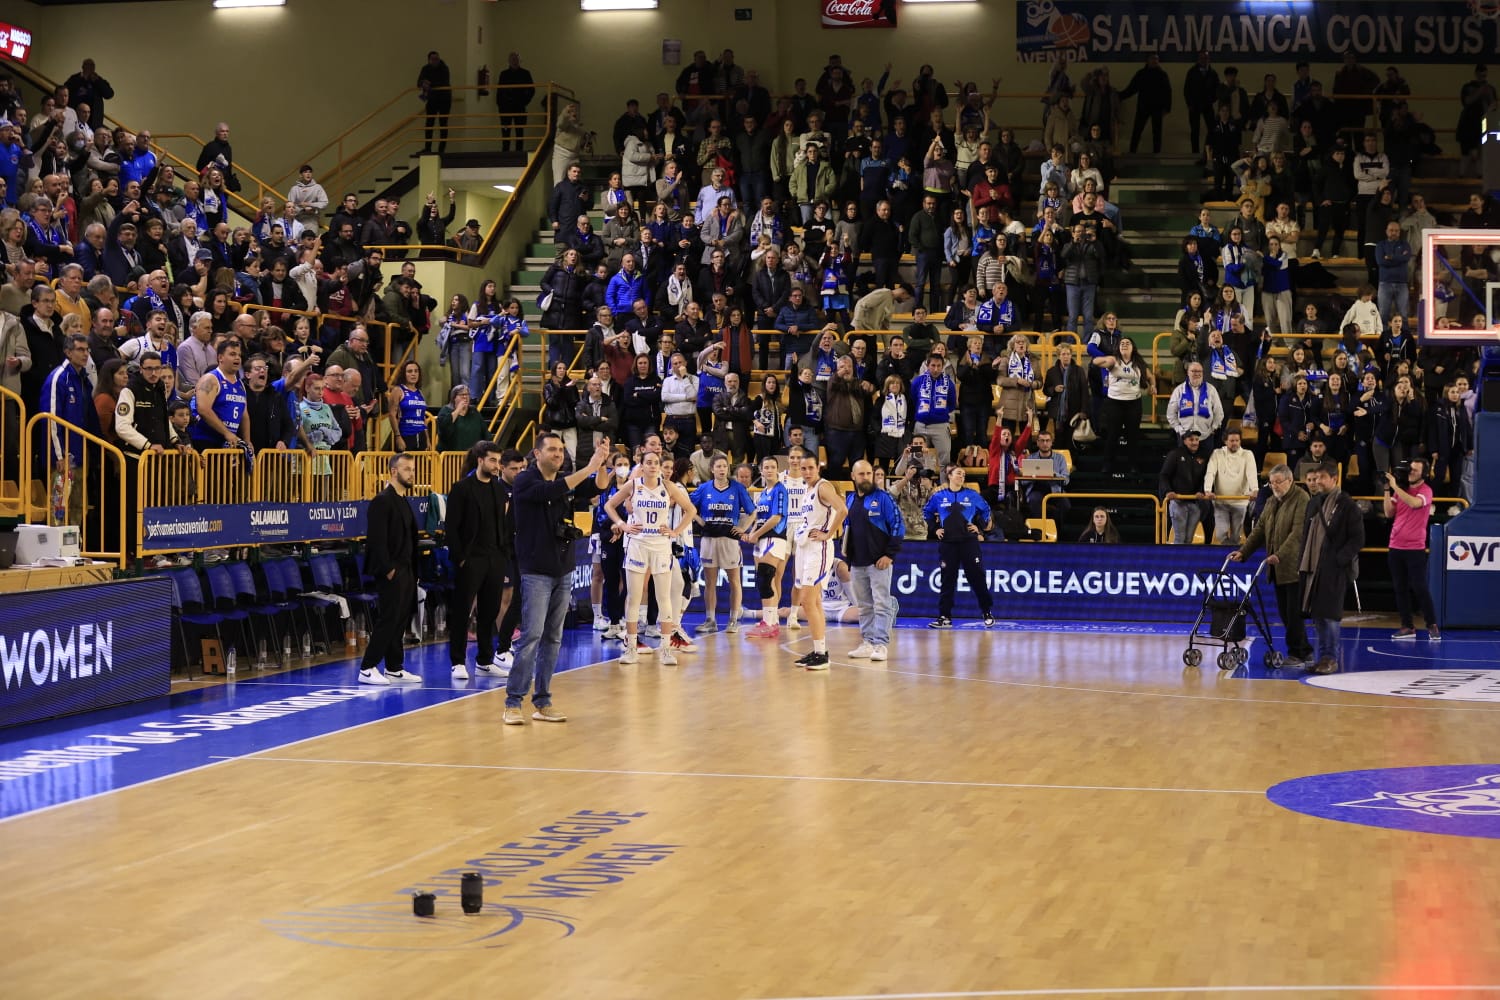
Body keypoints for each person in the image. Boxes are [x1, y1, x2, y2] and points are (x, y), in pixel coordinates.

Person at [503, 432, 610, 725]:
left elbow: (597, 486)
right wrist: (588, 468)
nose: (558, 454)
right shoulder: (525, 480)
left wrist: (601, 464)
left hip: (563, 568)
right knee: (532, 636)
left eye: (561, 450)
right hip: (535, 570)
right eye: (552, 449)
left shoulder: (565, 480)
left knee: (553, 637)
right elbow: (549, 492)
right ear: (536, 454)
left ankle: (543, 701)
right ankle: (513, 701)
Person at [604, 450, 696, 665]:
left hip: (660, 546)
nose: (653, 466)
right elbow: (609, 505)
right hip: (638, 545)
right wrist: (622, 525)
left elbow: (690, 510)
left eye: (656, 462)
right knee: (635, 596)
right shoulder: (634, 485)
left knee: (663, 597)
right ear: (642, 466)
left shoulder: (668, 486)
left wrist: (675, 531)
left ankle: (665, 649)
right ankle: (631, 648)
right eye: (649, 463)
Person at [1231, 463, 1314, 668]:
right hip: (1277, 568)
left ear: (1290, 480)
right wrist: (1244, 552)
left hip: (1294, 567)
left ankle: (1299, 653)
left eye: (1279, 482)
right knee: (1286, 614)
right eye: (1272, 482)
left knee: (1293, 614)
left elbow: (1297, 534)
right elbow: (1259, 530)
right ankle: (1303, 651)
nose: (1275, 486)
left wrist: (1279, 554)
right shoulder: (1270, 501)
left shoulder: (1301, 499)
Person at [446, 442, 516, 681]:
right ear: (480, 461)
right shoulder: (462, 488)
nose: (497, 466)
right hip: (471, 558)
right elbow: (452, 528)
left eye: (498, 461)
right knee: (463, 611)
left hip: (495, 557)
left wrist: (503, 552)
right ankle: (457, 661)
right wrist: (461, 558)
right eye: (493, 461)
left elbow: (504, 524)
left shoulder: (499, 490)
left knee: (490, 610)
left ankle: (485, 661)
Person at [359, 454, 423, 685]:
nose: (411, 473)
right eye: (407, 469)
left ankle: (394, 667)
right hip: (391, 571)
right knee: (388, 618)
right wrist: (388, 569)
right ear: (394, 471)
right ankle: (367, 667)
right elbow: (376, 540)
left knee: (400, 619)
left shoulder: (403, 500)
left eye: (413, 469)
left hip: (406, 569)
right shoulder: (382, 500)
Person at [1299, 461, 1365, 675]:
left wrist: (1339, 559)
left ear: (1334, 479)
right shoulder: (1314, 502)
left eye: (1321, 478)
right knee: (1318, 615)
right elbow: (1306, 535)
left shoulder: (1347, 505)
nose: (1317, 482)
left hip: (1334, 569)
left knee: (1331, 616)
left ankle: (1331, 658)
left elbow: (1358, 539)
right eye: (1315, 478)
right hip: (1313, 569)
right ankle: (1322, 657)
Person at [791, 453, 848, 670]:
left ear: (818, 468)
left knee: (807, 600)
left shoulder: (823, 487)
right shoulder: (807, 490)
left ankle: (821, 654)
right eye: (803, 468)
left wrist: (828, 533)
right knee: (813, 602)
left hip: (819, 548)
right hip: (806, 547)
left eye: (810, 468)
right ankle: (819, 651)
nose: (806, 472)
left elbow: (843, 509)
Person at [843, 459, 904, 662]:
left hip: (878, 562)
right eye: (862, 474)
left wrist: (889, 554)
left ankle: (881, 645)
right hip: (857, 563)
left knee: (882, 604)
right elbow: (847, 527)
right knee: (864, 606)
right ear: (853, 476)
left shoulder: (883, 498)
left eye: (869, 473)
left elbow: (898, 526)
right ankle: (868, 642)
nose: (866, 477)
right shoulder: (850, 499)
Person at [924, 464, 995, 629]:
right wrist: (935, 529)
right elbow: (926, 513)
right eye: (958, 473)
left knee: (977, 577)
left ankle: (987, 611)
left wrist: (980, 526)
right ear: (949, 476)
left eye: (963, 474)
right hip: (948, 543)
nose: (961, 476)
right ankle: (945, 616)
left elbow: (986, 510)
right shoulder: (938, 496)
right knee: (947, 579)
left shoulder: (972, 495)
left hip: (968, 542)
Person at [691, 455, 756, 633]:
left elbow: (752, 512)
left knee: (734, 581)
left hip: (729, 541)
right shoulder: (704, 489)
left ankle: (733, 620)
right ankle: (710, 620)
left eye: (725, 466)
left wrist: (743, 528)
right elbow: (687, 506)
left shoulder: (737, 488)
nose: (722, 469)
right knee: (710, 582)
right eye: (718, 466)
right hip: (709, 539)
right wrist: (700, 521)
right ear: (712, 469)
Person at [1384, 458, 1439, 641]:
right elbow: (1388, 513)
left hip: (1415, 547)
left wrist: (1395, 486)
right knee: (1400, 588)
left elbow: (1415, 503)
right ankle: (1407, 626)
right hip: (1395, 545)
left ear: (1424, 473)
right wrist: (1386, 489)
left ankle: (1431, 624)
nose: (1411, 473)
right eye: (1410, 470)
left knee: (1420, 587)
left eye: (1415, 470)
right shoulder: (1401, 490)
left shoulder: (1426, 491)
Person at [743, 456, 790, 639]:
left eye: (772, 467)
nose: (769, 470)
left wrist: (756, 533)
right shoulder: (763, 492)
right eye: (766, 467)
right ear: (761, 470)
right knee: (765, 581)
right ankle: (771, 621)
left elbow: (776, 518)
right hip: (762, 539)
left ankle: (769, 622)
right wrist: (751, 532)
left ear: (777, 470)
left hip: (775, 537)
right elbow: (758, 517)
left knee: (766, 577)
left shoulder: (780, 490)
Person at [1203, 429, 1257, 544]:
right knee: (1220, 534)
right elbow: (1210, 472)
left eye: (1237, 440)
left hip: (1240, 502)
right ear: (1225, 441)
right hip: (1221, 502)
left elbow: (1251, 474)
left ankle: (1232, 559)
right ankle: (1229, 554)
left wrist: (1255, 490)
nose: (1235, 443)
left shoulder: (1248, 454)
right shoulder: (1217, 453)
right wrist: (1207, 490)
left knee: (1236, 537)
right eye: (1232, 440)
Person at [417, 51, 453, 154]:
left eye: (436, 59)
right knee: (429, 124)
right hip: (432, 99)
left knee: (443, 124)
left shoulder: (444, 68)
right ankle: (427, 148)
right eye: (433, 59)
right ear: (429, 60)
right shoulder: (425, 68)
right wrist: (423, 83)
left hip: (444, 99)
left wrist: (429, 84)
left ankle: (441, 150)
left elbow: (444, 82)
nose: (435, 61)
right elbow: (418, 82)